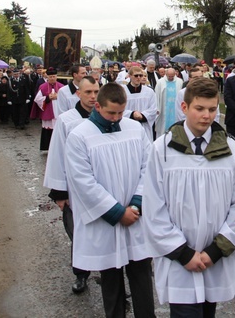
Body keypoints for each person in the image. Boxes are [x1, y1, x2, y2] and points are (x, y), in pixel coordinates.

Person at [143, 77, 235, 316]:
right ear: (184, 108)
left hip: (215, 258)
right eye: (199, 108)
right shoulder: (162, 150)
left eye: (212, 109)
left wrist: (215, 251)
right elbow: (153, 208)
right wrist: (183, 253)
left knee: (208, 311)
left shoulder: (230, 150)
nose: (207, 115)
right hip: (179, 260)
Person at [64, 83, 155, 318]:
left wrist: (136, 204)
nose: (116, 118)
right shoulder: (79, 136)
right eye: (110, 113)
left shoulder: (135, 129)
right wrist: (116, 212)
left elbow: (150, 168)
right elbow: (82, 182)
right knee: (111, 280)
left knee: (142, 276)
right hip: (106, 221)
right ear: (97, 106)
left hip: (135, 217)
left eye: (120, 112)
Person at [44, 76, 100, 294]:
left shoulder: (105, 118)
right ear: (78, 93)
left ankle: (108, 274)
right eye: (88, 92)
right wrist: (60, 192)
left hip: (98, 186)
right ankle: (81, 274)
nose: (93, 97)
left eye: (96, 92)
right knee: (78, 234)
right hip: (74, 190)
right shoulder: (67, 120)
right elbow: (57, 154)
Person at [31, 67, 64, 151]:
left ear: (56, 77)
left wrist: (58, 96)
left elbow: (66, 99)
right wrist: (48, 98)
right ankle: (48, 147)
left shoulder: (62, 87)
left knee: (58, 130)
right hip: (48, 111)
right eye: (50, 77)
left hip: (58, 112)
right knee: (48, 130)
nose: (52, 78)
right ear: (47, 77)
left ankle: (58, 148)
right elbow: (37, 99)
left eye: (54, 76)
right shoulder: (43, 87)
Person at [123, 65, 159, 142]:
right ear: (129, 76)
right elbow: (118, 109)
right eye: (136, 75)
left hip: (144, 126)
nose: (139, 77)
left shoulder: (149, 92)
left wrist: (142, 115)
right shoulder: (122, 91)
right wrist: (132, 114)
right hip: (128, 127)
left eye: (141, 75)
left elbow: (153, 109)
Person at [155, 67, 184, 134]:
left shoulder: (179, 81)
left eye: (172, 76)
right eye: (169, 76)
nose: (170, 78)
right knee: (163, 125)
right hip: (164, 107)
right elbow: (157, 95)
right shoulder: (160, 82)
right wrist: (157, 108)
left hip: (175, 107)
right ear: (166, 74)